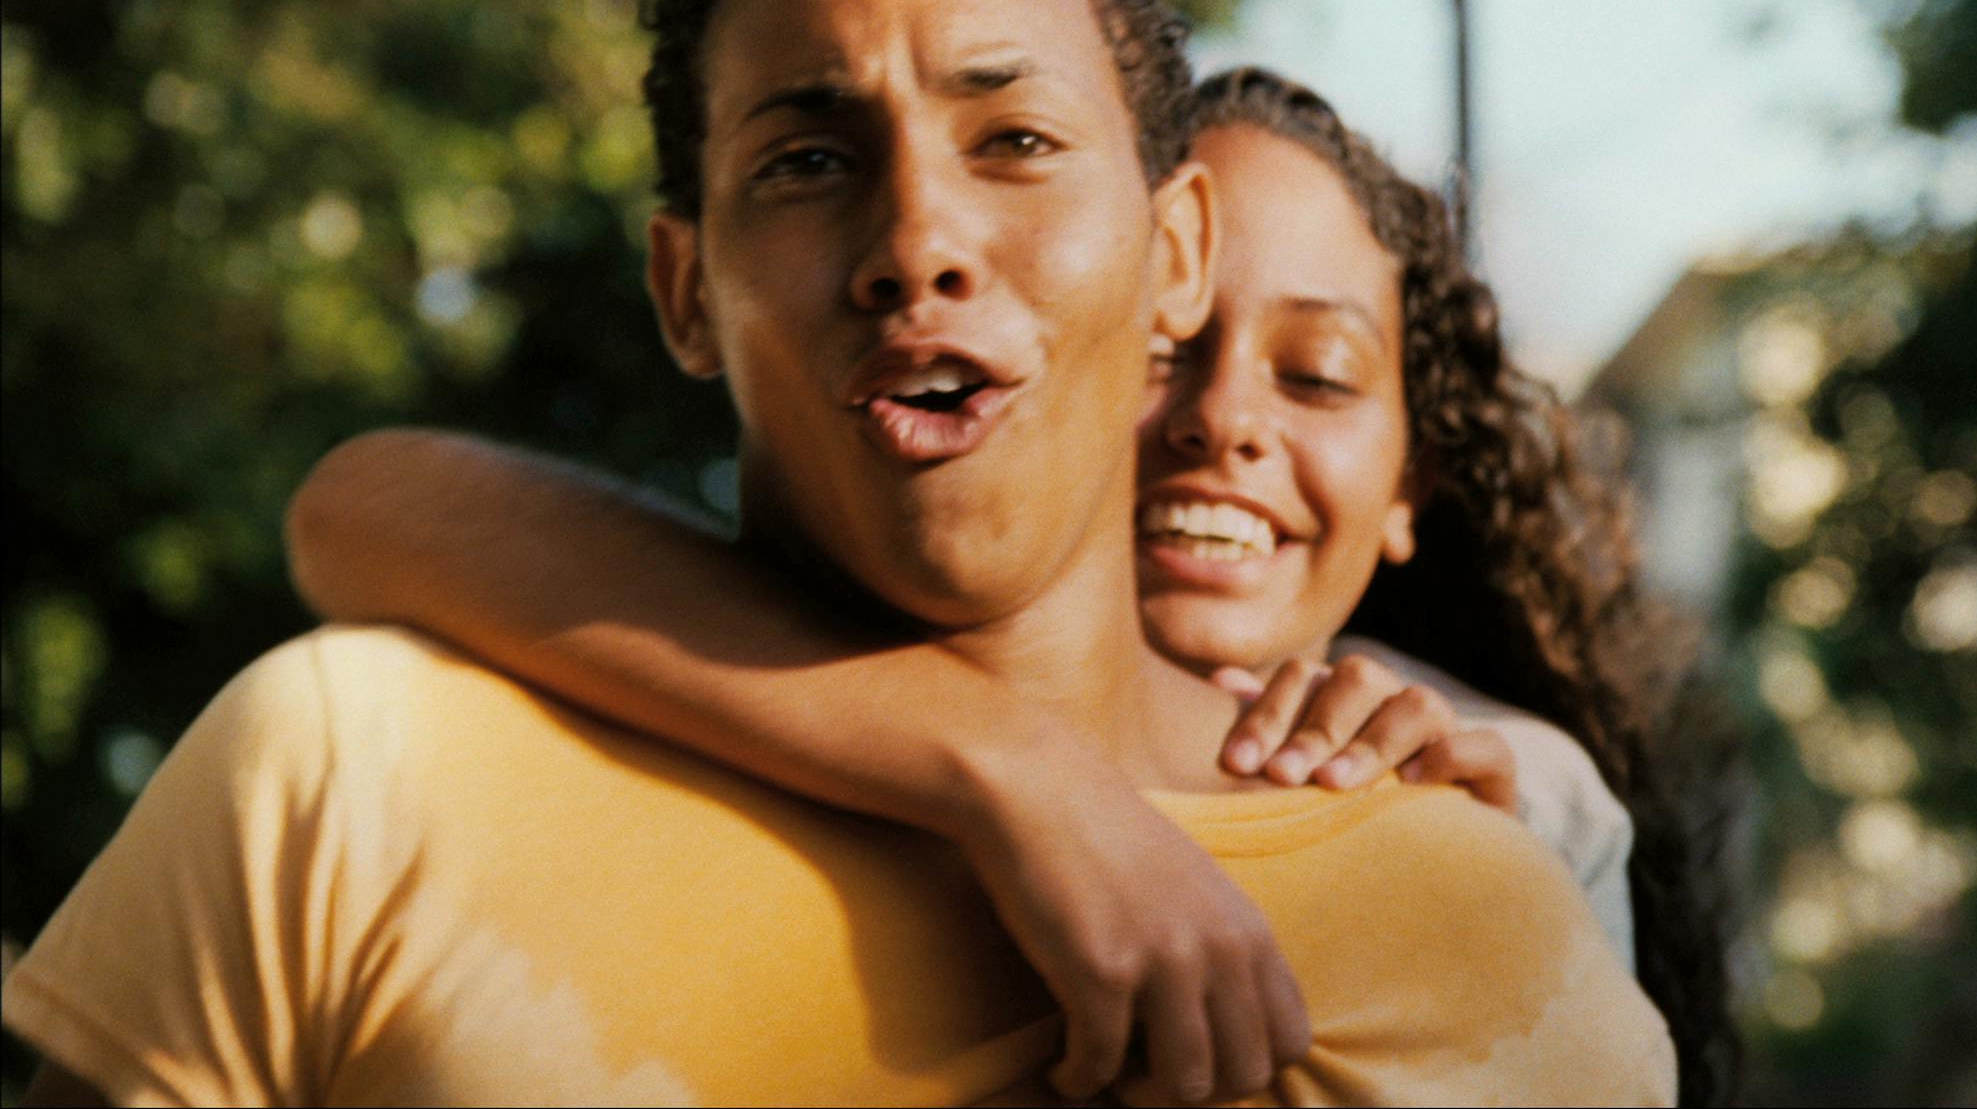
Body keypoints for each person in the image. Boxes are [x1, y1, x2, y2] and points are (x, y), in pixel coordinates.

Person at [3, 0, 1678, 1106]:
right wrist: (1017, 770)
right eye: (807, 159)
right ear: (684, 289)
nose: (917, 241)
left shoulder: (1492, 929)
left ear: (1173, 254)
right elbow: (367, 496)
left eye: (1013, 140)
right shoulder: (343, 781)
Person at [279, 65, 1730, 1098]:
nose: (1228, 417)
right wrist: (1014, 767)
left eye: (1321, 374)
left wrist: (1460, 901)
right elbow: (369, 501)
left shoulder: (1498, 798)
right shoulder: (793, 646)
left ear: (1412, 485)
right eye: (1169, 347)